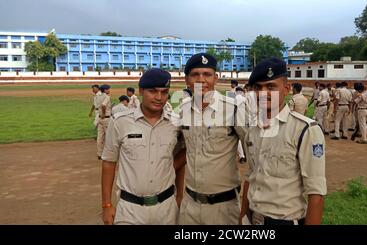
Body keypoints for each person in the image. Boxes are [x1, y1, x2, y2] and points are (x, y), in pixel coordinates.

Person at [240, 57, 326, 225]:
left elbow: (316, 193)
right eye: (258, 87)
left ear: (286, 89)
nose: (263, 93)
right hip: (252, 219)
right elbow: (250, 177)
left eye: (271, 86)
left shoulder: (305, 130)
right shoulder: (252, 130)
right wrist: (242, 216)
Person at [101, 68, 186, 225]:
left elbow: (181, 158)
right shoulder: (120, 121)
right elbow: (108, 162)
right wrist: (106, 204)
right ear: (141, 90)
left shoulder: (175, 123)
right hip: (130, 209)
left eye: (164, 92)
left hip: (166, 208)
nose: (159, 97)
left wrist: (179, 195)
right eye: (153, 91)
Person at [177, 53, 247, 225]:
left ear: (216, 78)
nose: (201, 80)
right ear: (187, 80)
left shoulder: (234, 109)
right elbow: (179, 153)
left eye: (207, 74)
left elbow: (256, 157)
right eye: (195, 75)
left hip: (224, 208)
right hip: (190, 206)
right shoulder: (183, 111)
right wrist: (179, 195)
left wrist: (246, 208)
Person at [97, 84, 112, 160]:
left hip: (100, 119)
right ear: (105, 90)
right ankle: (108, 154)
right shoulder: (107, 96)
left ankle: (99, 154)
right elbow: (103, 105)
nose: (109, 90)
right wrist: (103, 113)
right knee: (108, 136)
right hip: (106, 118)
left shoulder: (98, 96)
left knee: (100, 137)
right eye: (108, 89)